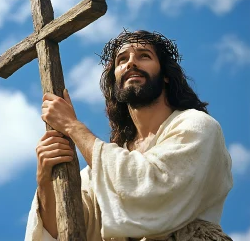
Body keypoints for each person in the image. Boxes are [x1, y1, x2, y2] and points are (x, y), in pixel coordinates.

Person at [25, 30, 233, 241]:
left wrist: (72, 126)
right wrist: (44, 180)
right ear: (115, 82)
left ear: (166, 75)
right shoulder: (100, 171)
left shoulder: (196, 126)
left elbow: (149, 191)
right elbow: (63, 230)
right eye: (122, 59)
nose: (131, 63)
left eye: (144, 56)